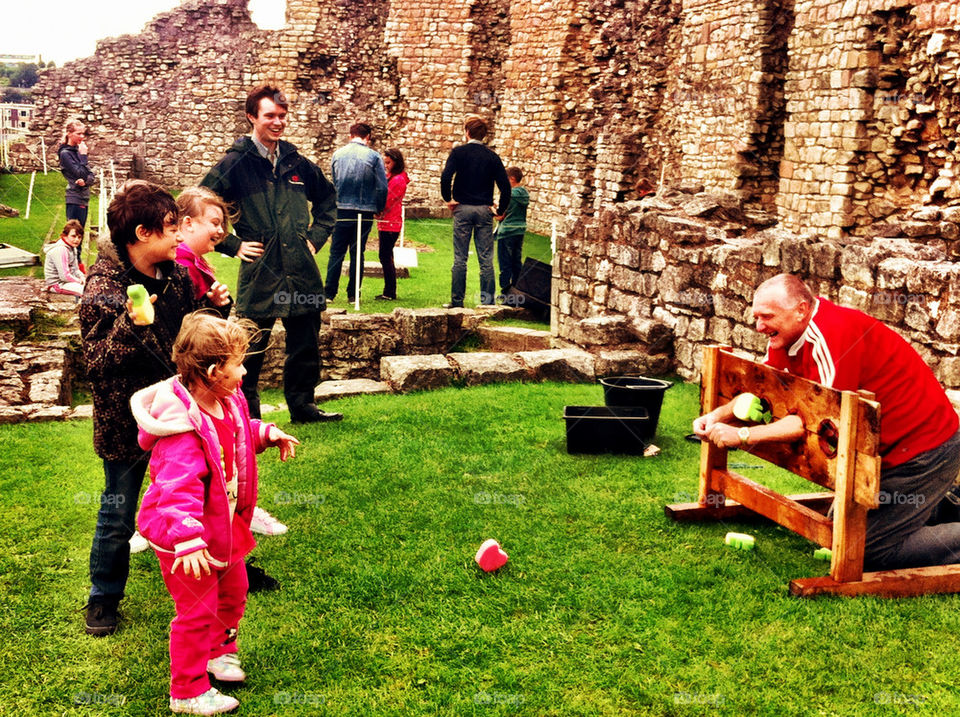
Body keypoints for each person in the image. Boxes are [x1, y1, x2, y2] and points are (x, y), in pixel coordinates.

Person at [693, 274, 960, 571]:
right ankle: (943, 503)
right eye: (756, 317)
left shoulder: (831, 336)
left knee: (864, 550)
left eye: (767, 316)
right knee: (838, 527)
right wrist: (716, 416)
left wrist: (743, 435)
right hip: (885, 450)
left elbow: (820, 423)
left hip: (925, 449)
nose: (759, 326)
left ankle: (937, 502)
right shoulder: (784, 337)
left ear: (801, 310)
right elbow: (763, 390)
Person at [133, 312, 299, 715]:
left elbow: (235, 436)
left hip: (222, 526)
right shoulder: (182, 429)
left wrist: (266, 433)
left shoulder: (227, 399)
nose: (244, 371)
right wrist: (188, 540)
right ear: (212, 372)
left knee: (234, 591)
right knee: (197, 611)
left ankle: (219, 652)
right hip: (186, 536)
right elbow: (176, 488)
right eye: (237, 364)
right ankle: (187, 690)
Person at [79, 180, 214, 636]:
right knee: (118, 512)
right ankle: (103, 597)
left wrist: (215, 308)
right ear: (142, 233)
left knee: (200, 497)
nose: (180, 235)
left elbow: (190, 335)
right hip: (127, 422)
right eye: (171, 227)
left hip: (180, 412)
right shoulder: (104, 286)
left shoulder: (176, 277)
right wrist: (129, 324)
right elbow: (96, 361)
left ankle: (220, 568)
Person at [201, 85, 342, 423]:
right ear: (252, 117)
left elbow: (328, 199)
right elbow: (196, 205)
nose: (278, 122)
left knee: (305, 345)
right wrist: (232, 245)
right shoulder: (235, 163)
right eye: (270, 116)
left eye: (282, 116)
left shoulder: (296, 162)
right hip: (260, 271)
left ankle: (304, 407)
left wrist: (315, 238)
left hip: (301, 270)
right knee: (248, 350)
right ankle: (248, 417)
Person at [175, 186, 288, 537]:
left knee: (228, 436)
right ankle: (204, 518)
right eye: (214, 222)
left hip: (209, 374)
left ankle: (233, 506)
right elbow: (184, 331)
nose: (220, 230)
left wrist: (215, 305)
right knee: (206, 451)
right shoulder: (180, 264)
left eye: (222, 224)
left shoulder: (194, 263)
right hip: (200, 379)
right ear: (187, 223)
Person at [439, 117, 511, 308]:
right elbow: (505, 187)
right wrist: (500, 210)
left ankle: (457, 302)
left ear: (467, 132)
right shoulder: (492, 157)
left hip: (462, 208)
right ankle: (487, 302)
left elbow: (446, 177)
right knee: (486, 258)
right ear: (484, 135)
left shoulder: (459, 153)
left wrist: (448, 199)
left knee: (460, 258)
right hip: (484, 209)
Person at [324, 122, 388, 303]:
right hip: (364, 209)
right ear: (368, 137)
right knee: (357, 252)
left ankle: (329, 292)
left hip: (341, 208)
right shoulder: (373, 156)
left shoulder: (337, 154)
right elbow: (382, 187)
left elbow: (334, 181)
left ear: (350, 136)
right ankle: (353, 294)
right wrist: (379, 207)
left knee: (336, 251)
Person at [58, 119, 96, 267]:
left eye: (83, 133)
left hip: (83, 197)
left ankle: (76, 267)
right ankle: (72, 267)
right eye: (78, 133)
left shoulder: (77, 151)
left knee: (79, 235)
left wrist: (85, 182)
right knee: (74, 235)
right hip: (75, 198)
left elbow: (91, 176)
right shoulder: (66, 153)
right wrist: (84, 156)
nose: (82, 137)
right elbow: (80, 172)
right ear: (69, 133)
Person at [374, 148, 410, 301]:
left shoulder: (398, 180)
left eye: (388, 163)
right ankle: (389, 290)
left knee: (385, 256)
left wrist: (377, 210)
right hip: (387, 222)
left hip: (390, 223)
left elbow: (388, 200)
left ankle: (389, 291)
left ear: (396, 162)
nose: (386, 166)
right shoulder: (392, 177)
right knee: (386, 255)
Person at [495, 166, 529, 299]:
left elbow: (500, 216)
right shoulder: (525, 193)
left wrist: (493, 209)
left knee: (505, 263)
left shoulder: (508, 194)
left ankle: (505, 292)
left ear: (512, 179)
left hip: (507, 231)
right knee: (516, 261)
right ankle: (517, 289)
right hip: (519, 230)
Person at [43, 219, 85, 297]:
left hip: (68, 282)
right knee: (86, 292)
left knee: (91, 287)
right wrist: (79, 281)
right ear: (65, 236)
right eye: (73, 236)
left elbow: (75, 269)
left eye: (79, 237)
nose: (76, 240)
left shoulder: (73, 248)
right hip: (57, 284)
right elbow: (64, 276)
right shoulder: (61, 249)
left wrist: (82, 277)